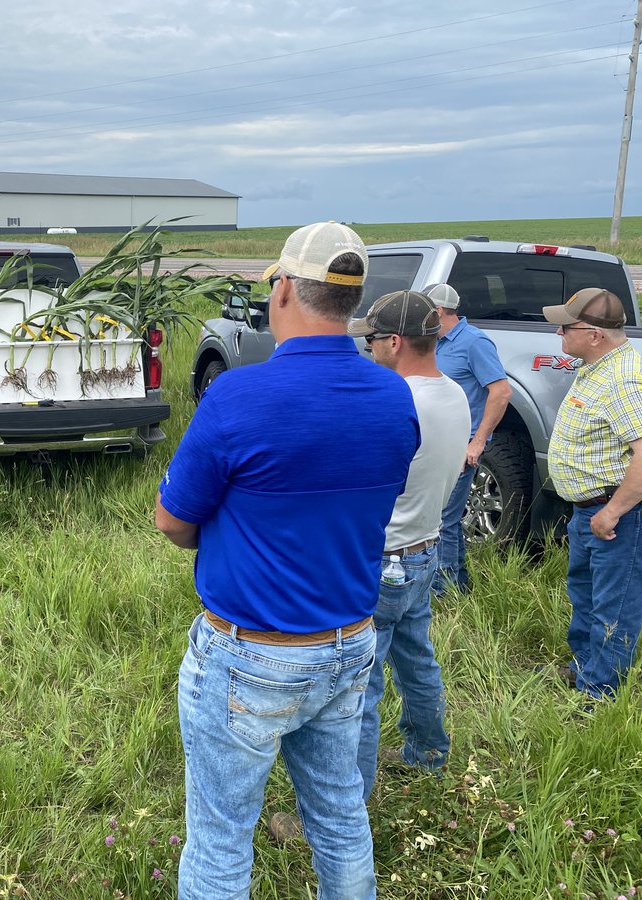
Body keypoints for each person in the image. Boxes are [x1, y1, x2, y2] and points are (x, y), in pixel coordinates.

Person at [155, 222, 420, 899]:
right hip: (347, 644)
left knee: (220, 840)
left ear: (282, 292)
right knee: (339, 821)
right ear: (351, 303)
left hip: (249, 654)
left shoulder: (238, 397)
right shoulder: (395, 398)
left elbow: (173, 522)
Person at [347, 291, 470, 799]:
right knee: (417, 657)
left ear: (394, 342)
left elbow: (363, 484)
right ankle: (428, 750)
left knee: (361, 683)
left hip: (383, 557)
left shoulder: (397, 403)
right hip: (426, 548)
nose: (370, 350)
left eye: (373, 341)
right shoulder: (455, 393)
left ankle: (350, 797)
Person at [543, 287, 642, 699]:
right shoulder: (596, 366)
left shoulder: (623, 378)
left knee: (613, 606)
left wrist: (613, 511)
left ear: (595, 333)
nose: (559, 334)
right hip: (588, 511)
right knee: (584, 591)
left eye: (566, 327)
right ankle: (585, 666)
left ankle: (600, 693)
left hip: (613, 515)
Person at [425, 283, 511, 593]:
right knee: (446, 519)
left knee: (443, 519)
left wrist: (477, 442)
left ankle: (443, 591)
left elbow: (500, 392)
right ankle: (458, 585)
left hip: (461, 448)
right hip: (438, 446)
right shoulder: (435, 341)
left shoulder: (474, 342)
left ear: (437, 312)